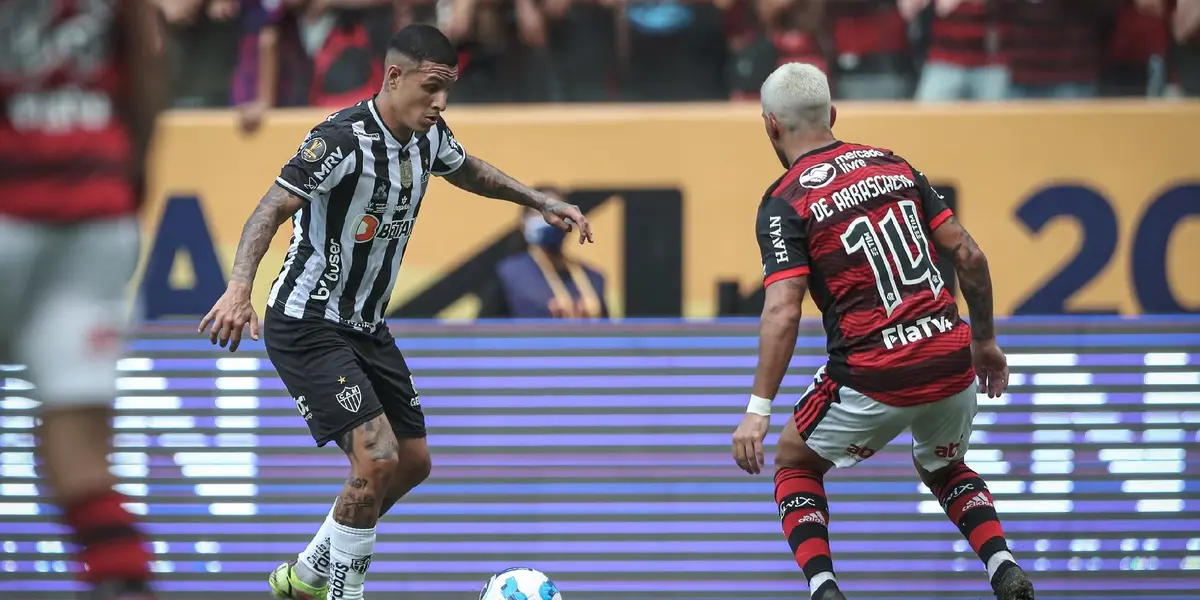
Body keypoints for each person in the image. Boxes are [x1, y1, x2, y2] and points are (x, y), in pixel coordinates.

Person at [196, 24, 594, 600]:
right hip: (307, 322)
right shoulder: (341, 139)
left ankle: (309, 573)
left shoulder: (427, 137)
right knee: (377, 459)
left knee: (412, 461)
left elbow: (470, 169)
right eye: (432, 87)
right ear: (394, 77)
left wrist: (541, 200)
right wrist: (239, 289)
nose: (441, 103)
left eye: (448, 91)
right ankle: (342, 594)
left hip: (365, 326)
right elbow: (269, 208)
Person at [730, 63, 1033, 600]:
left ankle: (823, 587)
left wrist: (757, 409)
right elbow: (969, 254)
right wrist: (984, 342)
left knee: (795, 462)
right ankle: (1001, 564)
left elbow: (782, 309)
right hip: (949, 356)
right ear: (834, 115)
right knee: (944, 466)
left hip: (873, 372)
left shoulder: (784, 201)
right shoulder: (893, 166)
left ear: (771, 126)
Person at [0, 1, 167, 599]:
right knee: (81, 459)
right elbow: (149, 58)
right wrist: (130, 177)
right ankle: (122, 580)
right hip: (95, 215)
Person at [478, 200, 609, 319]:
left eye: (559, 212)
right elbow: (486, 332)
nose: (550, 219)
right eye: (539, 212)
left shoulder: (593, 277)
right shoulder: (509, 274)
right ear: (523, 223)